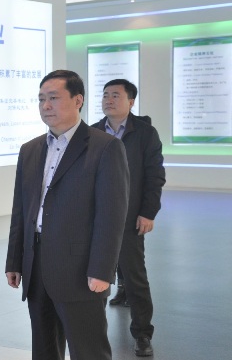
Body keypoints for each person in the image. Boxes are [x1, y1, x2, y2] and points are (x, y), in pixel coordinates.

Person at [5, 70, 129, 360]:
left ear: (78, 100)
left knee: (88, 351)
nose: (46, 105)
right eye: (41, 99)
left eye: (53, 98)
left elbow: (111, 215)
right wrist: (15, 260)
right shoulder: (30, 150)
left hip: (80, 270)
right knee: (44, 349)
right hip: (36, 266)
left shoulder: (105, 147)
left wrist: (102, 269)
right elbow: (21, 210)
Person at [92, 79, 165, 357]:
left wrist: (148, 212)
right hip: (95, 219)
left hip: (129, 218)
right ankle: (92, 333)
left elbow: (154, 176)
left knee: (135, 279)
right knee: (93, 277)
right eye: (105, 95)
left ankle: (142, 334)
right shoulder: (92, 132)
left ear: (131, 102)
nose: (109, 100)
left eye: (116, 95)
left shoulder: (145, 133)